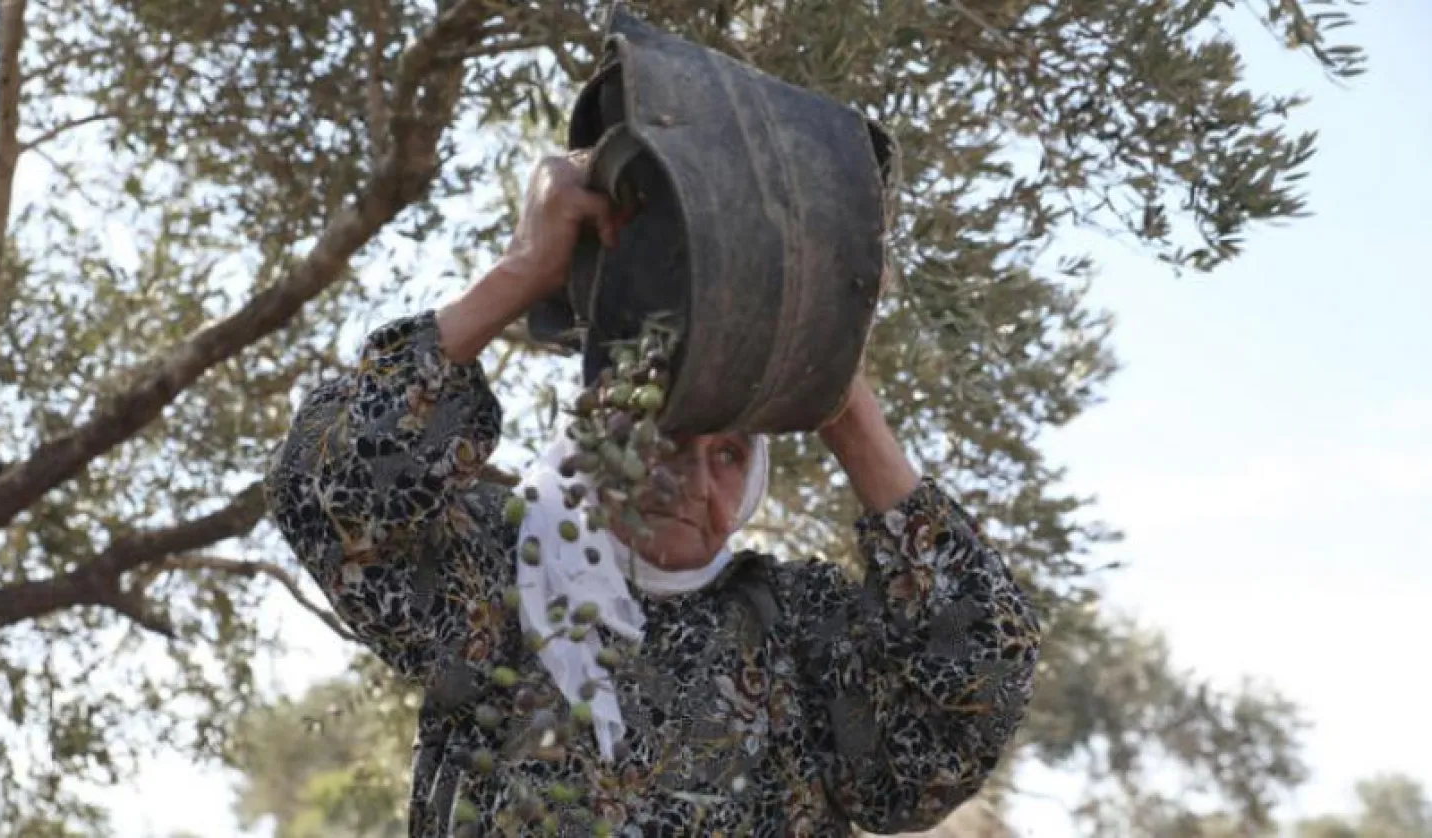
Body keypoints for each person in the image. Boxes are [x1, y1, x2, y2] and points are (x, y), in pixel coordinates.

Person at [265, 150, 1042, 837]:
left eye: (730, 452)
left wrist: (841, 399)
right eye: (665, 436)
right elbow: (333, 489)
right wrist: (524, 271)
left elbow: (970, 695)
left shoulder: (799, 632)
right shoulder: (501, 584)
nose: (693, 479)